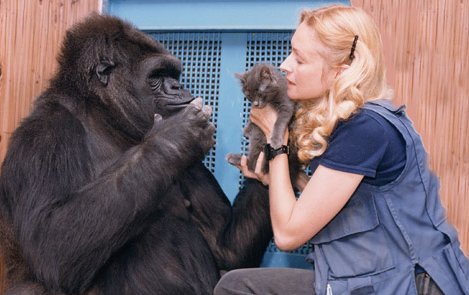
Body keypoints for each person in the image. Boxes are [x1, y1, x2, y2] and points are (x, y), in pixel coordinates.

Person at [214, 4, 469, 295]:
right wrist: (278, 179)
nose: (284, 65)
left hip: (406, 285)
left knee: (237, 287)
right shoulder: (353, 123)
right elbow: (339, 203)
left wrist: (278, 137)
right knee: (237, 284)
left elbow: (287, 234)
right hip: (362, 280)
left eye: (299, 59)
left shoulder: (366, 129)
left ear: (341, 71)